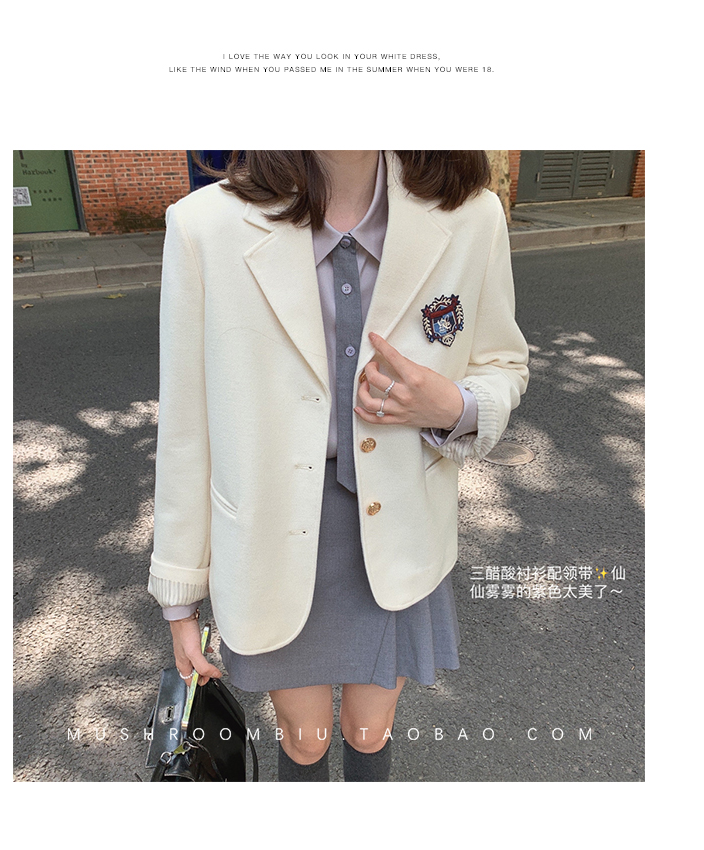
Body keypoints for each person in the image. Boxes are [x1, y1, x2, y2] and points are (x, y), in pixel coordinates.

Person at [148, 150, 529, 782]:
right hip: (271, 535)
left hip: (401, 527)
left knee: (369, 730)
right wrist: (179, 598)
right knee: (304, 741)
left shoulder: (471, 215)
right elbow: (187, 427)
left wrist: (454, 405)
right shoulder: (203, 227)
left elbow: (502, 362)